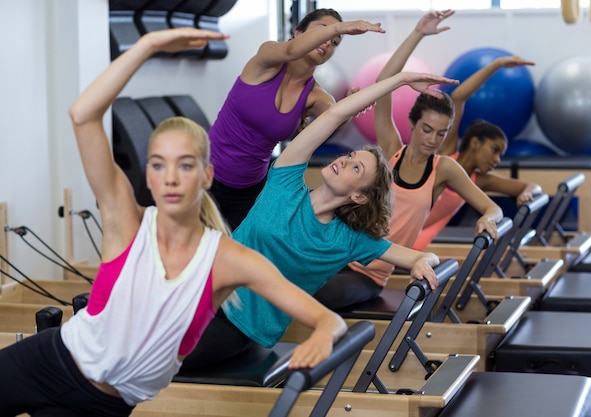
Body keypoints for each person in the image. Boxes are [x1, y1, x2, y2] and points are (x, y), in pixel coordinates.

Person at [0, 28, 349, 417]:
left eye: (185, 165)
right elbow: (82, 115)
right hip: (48, 360)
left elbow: (326, 319)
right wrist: (147, 46)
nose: (170, 177)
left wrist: (324, 333)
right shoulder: (126, 223)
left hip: (104, 405)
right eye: (158, 165)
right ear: (147, 177)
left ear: (206, 176)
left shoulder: (227, 260)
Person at [180, 69, 460, 371]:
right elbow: (332, 116)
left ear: (360, 197)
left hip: (238, 326)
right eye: (350, 157)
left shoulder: (348, 238)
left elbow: (424, 257)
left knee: (156, 356)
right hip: (199, 290)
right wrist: (400, 80)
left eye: (356, 169)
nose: (344, 161)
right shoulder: (285, 183)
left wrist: (420, 262)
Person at [314, 10, 504, 310]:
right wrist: (418, 33)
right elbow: (385, 81)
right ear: (412, 124)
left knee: (316, 294)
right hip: (335, 252)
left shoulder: (444, 169)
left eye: (441, 134)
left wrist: (487, 218)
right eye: (427, 129)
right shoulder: (391, 149)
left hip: (368, 275)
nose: (432, 139)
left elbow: (491, 207)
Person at [209, 8, 386, 230]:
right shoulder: (267, 58)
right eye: (323, 30)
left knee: (234, 254)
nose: (329, 41)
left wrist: (351, 106)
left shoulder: (315, 95)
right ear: (298, 31)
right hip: (206, 173)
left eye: (335, 41)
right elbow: (291, 50)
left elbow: (335, 118)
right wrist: (341, 27)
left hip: (250, 188)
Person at [412, 54, 542, 251]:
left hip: (415, 242)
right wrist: (497, 64)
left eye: (500, 155)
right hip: (395, 228)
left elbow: (532, 186)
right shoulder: (446, 154)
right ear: (474, 142)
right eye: (494, 150)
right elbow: (458, 97)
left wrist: (526, 194)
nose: (496, 159)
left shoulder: (478, 180)